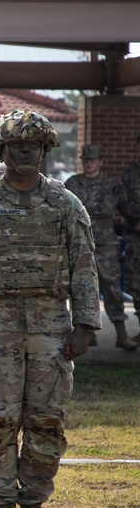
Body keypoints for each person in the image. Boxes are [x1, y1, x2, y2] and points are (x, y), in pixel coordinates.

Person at [0, 109, 100, 508]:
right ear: (1, 151)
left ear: (45, 150)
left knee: (46, 419)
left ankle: (33, 505)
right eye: (16, 146)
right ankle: (2, 504)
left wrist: (85, 324)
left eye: (33, 145)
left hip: (51, 326)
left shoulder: (65, 204)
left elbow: (84, 266)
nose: (25, 152)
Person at [64, 144, 137, 350]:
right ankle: (86, 332)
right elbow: (67, 209)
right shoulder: (72, 183)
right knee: (82, 288)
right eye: (86, 160)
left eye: (93, 159)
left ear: (101, 161)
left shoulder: (111, 184)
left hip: (105, 244)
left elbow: (123, 209)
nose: (89, 163)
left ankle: (121, 334)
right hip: (79, 243)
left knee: (112, 288)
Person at [116, 136, 140, 344]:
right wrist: (136, 219)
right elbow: (121, 201)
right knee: (136, 284)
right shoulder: (130, 174)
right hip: (136, 236)